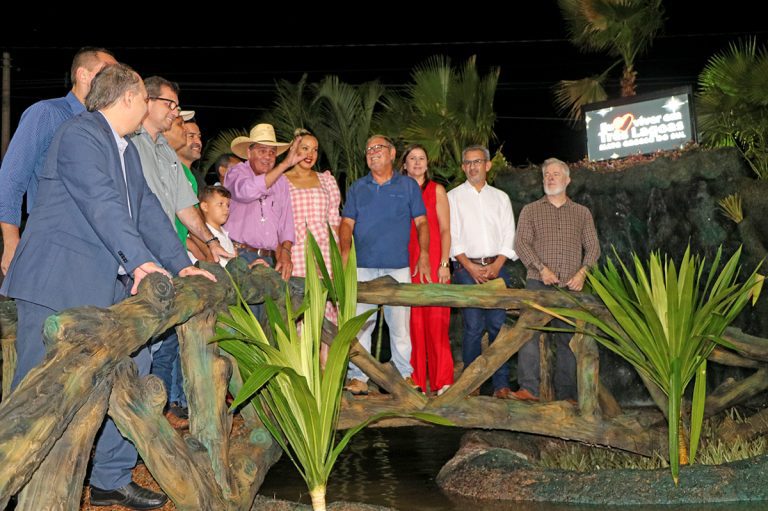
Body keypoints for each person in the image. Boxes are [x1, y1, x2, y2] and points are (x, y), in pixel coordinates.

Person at [0, 63, 216, 510]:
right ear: (128, 99)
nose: (154, 109)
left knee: (136, 366)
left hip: (105, 284)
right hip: (56, 280)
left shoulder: (127, 149)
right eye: (145, 97)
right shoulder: (79, 135)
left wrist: (181, 265)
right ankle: (15, 482)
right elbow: (101, 204)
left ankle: (111, 478)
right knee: (36, 390)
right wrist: (140, 263)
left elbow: (149, 213)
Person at [0, 47, 117, 275]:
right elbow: (11, 178)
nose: (115, 81)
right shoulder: (47, 113)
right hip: (52, 242)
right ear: (83, 75)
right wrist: (11, 242)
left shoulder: (106, 127)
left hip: (98, 247)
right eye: (108, 72)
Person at [340, 135, 431, 395]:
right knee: (360, 325)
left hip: (398, 267)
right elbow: (347, 223)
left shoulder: (408, 186)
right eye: (368, 149)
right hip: (363, 267)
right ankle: (359, 377)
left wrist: (423, 254)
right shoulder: (358, 187)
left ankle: (404, 374)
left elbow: (422, 222)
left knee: (400, 326)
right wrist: (345, 253)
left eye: (378, 148)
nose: (372, 152)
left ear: (392, 154)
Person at [514, 157, 601, 402]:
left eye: (555, 174)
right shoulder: (530, 210)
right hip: (537, 283)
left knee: (569, 340)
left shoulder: (582, 213)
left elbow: (593, 247)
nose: (550, 178)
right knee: (527, 333)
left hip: (570, 288)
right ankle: (528, 390)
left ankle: (568, 397)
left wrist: (582, 273)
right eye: (546, 175)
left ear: (567, 179)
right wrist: (541, 269)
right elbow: (521, 244)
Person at [448, 145, 517, 399]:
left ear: (487, 165)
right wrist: (470, 267)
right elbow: (452, 237)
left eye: (477, 162)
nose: (472, 166)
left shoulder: (500, 197)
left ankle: (501, 385)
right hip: (466, 268)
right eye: (467, 163)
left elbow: (509, 234)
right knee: (474, 326)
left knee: (498, 326)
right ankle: (471, 382)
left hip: (497, 266)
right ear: (463, 167)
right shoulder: (452, 197)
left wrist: (497, 265)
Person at [401, 144, 454, 395]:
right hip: (407, 265)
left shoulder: (438, 191)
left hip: (434, 264)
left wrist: (445, 263)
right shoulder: (398, 191)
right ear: (404, 165)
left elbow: (445, 230)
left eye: (421, 158)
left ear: (427, 163)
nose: (417, 162)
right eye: (412, 158)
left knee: (437, 323)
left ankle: (443, 380)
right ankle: (416, 382)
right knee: (412, 326)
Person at [226, 123, 304, 281]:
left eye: (272, 152)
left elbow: (286, 223)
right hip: (238, 257)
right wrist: (284, 165)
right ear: (249, 152)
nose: (268, 157)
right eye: (262, 151)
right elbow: (246, 192)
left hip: (269, 260)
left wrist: (286, 253)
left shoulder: (281, 181)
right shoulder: (236, 172)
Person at [284, 129, 342, 317]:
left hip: (325, 252)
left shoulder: (327, 180)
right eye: (305, 148)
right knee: (300, 309)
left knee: (327, 310)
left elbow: (335, 221)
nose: (310, 154)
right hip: (297, 252)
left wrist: (339, 257)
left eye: (315, 150)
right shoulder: (281, 180)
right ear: (293, 149)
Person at [188, 185, 237, 268]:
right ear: (205, 207)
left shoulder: (224, 233)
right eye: (220, 204)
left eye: (227, 205)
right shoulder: (200, 236)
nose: (226, 209)